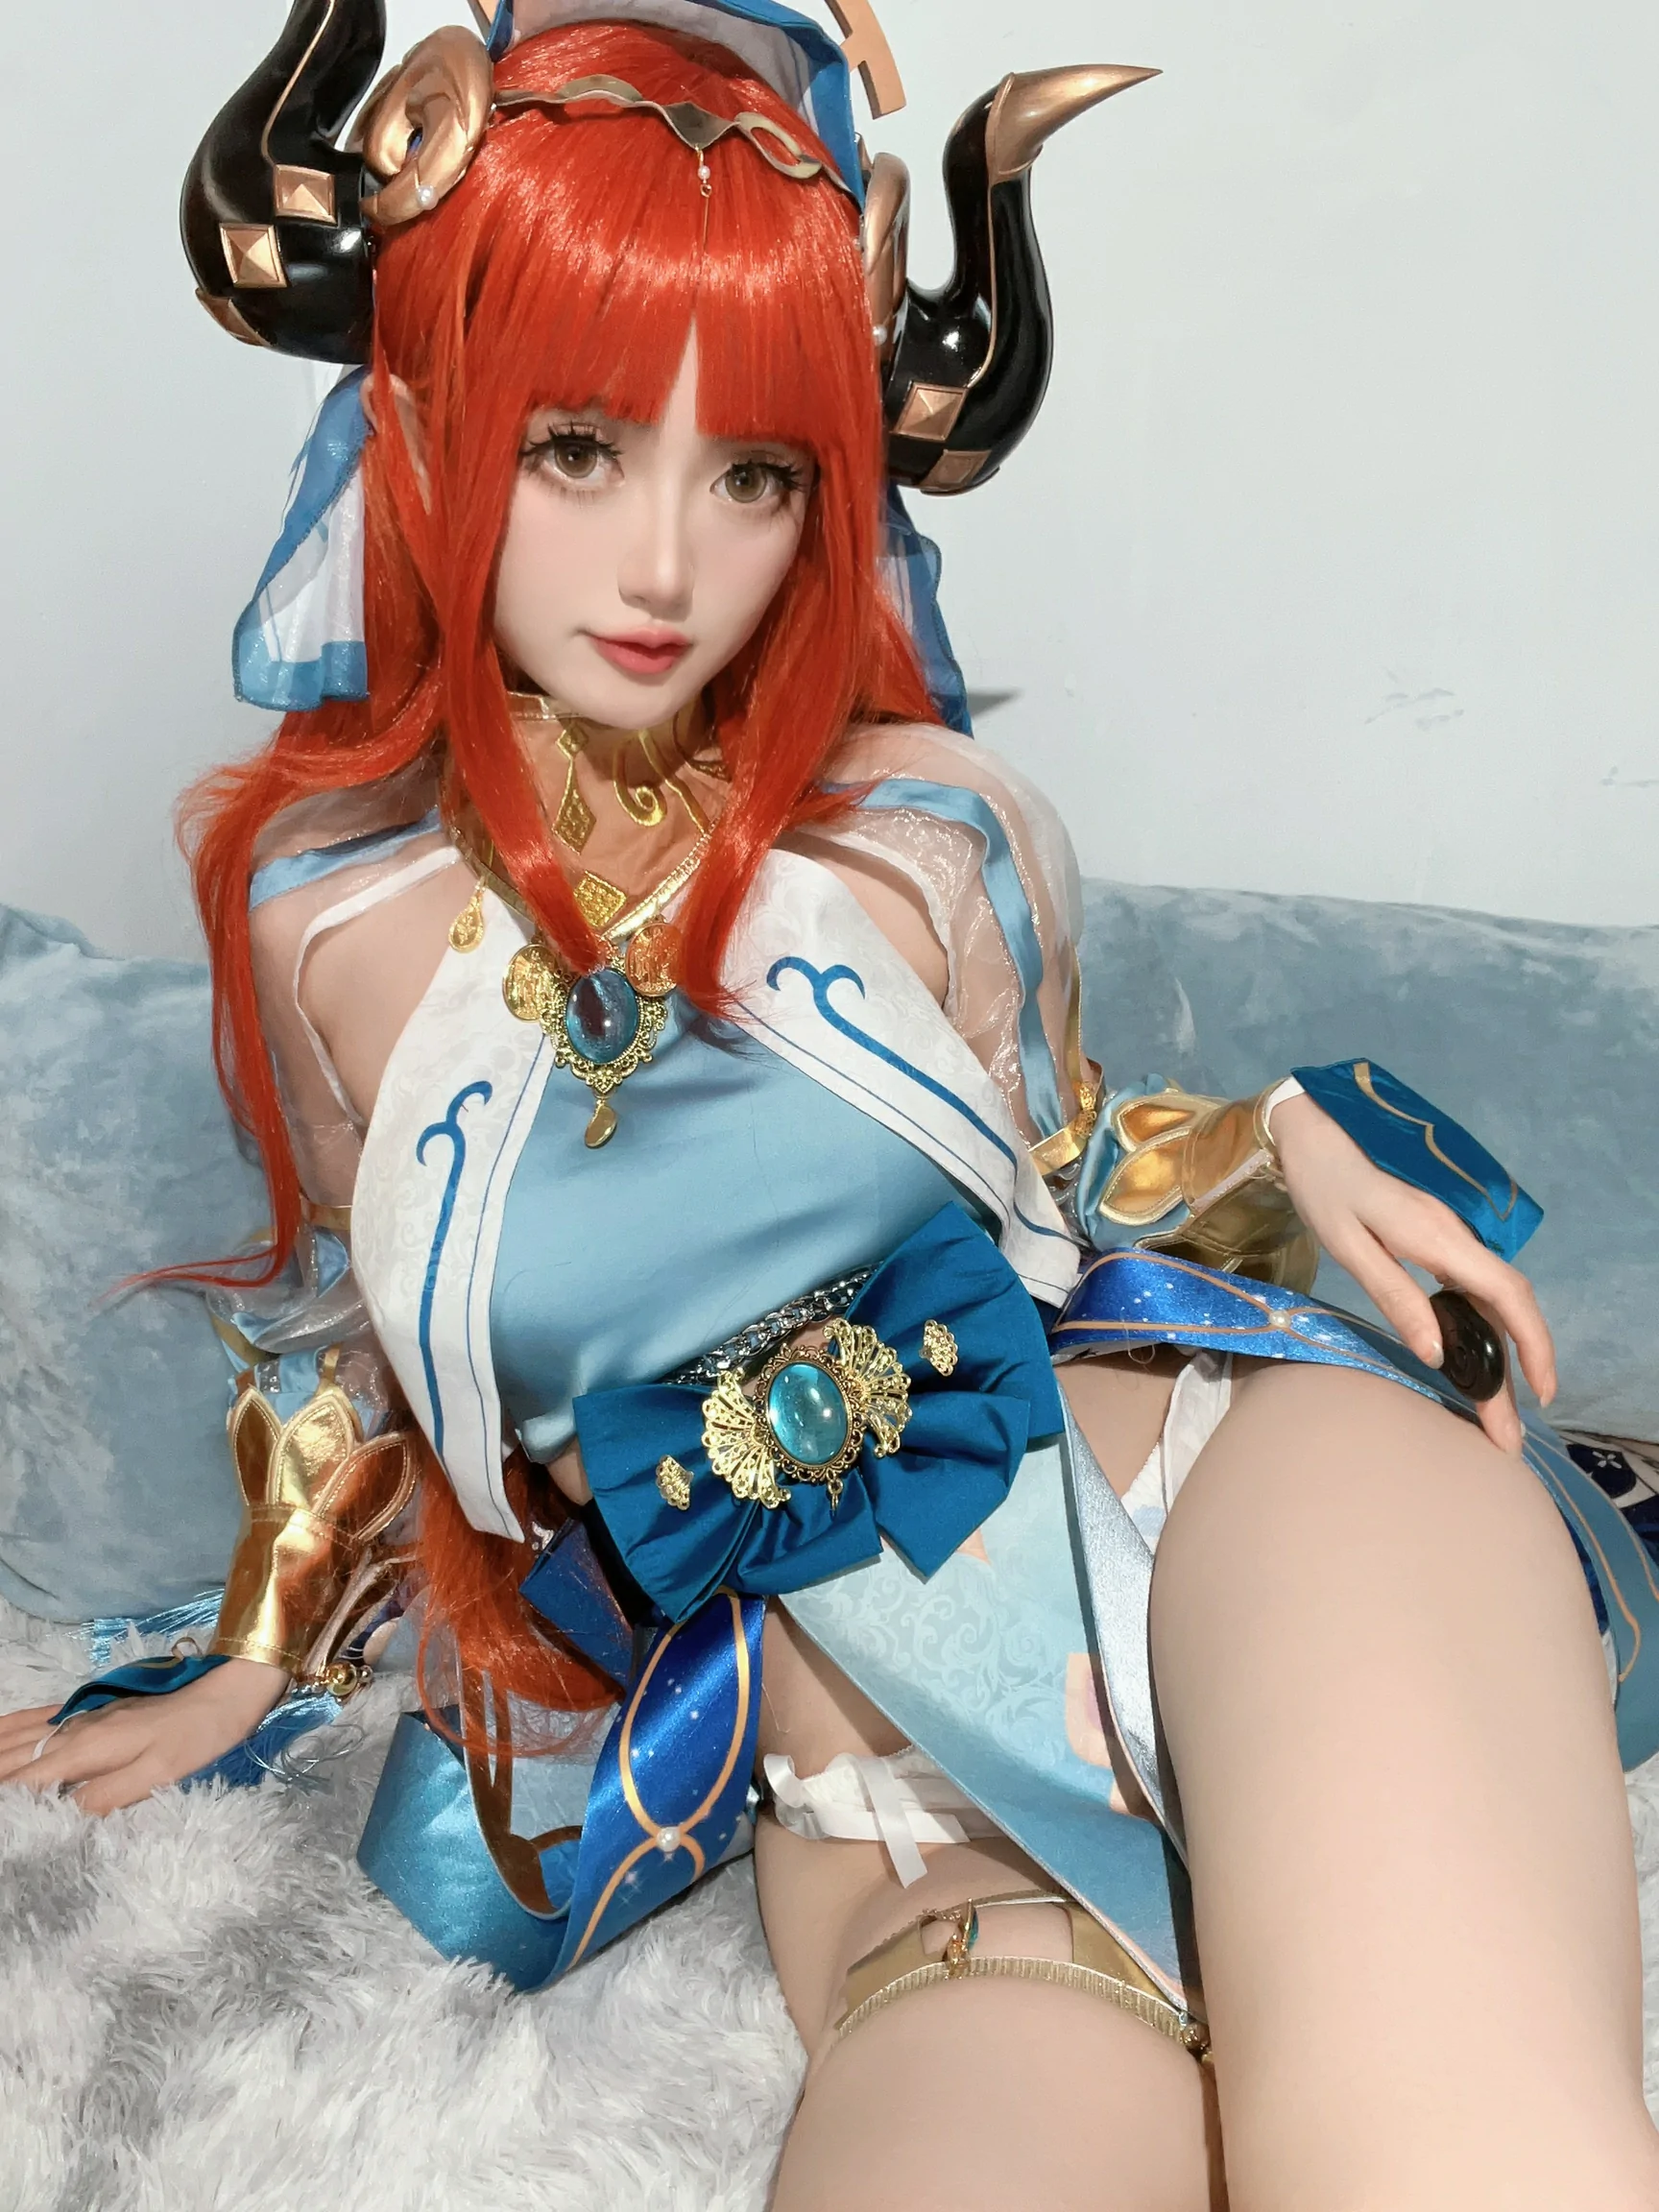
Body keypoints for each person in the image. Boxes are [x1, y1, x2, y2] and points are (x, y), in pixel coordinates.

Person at [3, 5, 1656, 2205]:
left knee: (1454, 2153)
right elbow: (361, 1338)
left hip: (1232, 1519)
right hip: (883, 1789)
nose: (664, 566)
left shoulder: (927, 835)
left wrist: (1283, 1150)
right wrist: (256, 1652)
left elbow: (1063, 1171)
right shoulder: (327, 921)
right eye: (581, 447)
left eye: (754, 474)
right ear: (429, 416)